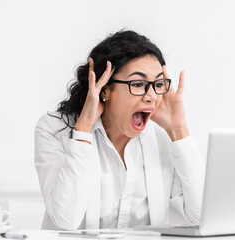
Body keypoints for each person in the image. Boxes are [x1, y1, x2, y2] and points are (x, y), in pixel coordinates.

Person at [34, 30, 204, 230]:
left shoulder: (163, 138)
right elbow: (65, 221)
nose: (151, 97)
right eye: (138, 84)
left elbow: (200, 217)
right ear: (104, 88)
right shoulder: (54, 130)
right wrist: (83, 130)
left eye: (157, 84)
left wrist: (178, 130)